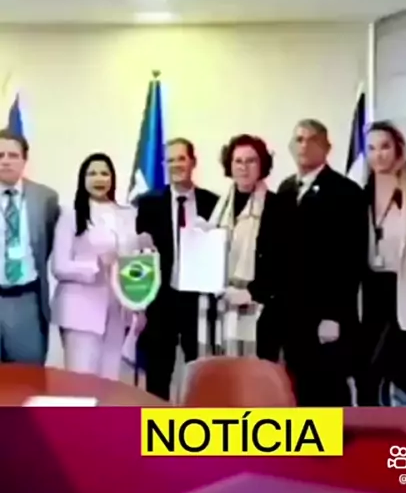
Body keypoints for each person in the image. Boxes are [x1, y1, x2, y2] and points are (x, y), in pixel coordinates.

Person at [275, 119, 368, 407]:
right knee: (297, 391)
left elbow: (351, 259)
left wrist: (334, 315)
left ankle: (336, 439)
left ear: (327, 147)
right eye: (298, 139)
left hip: (326, 315)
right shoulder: (286, 189)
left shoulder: (346, 191)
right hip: (292, 313)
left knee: (328, 391)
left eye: (312, 139)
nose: (304, 145)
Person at [136, 138, 218, 400]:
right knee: (158, 376)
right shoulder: (148, 204)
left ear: (193, 162)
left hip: (199, 303)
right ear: (163, 165)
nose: (176, 165)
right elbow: (138, 256)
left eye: (181, 158)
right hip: (161, 302)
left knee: (201, 375)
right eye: (170, 160)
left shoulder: (213, 203)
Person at [51, 153, 143, 380]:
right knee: (81, 382)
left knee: (110, 381)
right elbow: (59, 266)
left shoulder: (127, 215)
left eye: (104, 173)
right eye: (92, 173)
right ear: (83, 179)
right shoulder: (70, 214)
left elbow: (135, 261)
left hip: (118, 310)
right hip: (80, 311)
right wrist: (95, 265)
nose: (99, 178)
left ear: (112, 178)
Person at [357, 121, 406, 407]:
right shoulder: (359, 194)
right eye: (371, 148)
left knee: (403, 372)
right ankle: (368, 427)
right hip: (369, 290)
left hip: (405, 286)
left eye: (385, 146)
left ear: (398, 149)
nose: (378, 155)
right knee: (367, 372)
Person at [208, 134, 279, 358]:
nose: (243, 167)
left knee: (255, 373)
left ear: (262, 165)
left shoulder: (277, 206)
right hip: (221, 304)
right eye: (238, 161)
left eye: (251, 161)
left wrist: (252, 292)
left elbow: (284, 261)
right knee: (223, 371)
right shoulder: (217, 206)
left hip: (260, 309)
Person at [0, 129, 59, 364]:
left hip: (26, 299)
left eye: (13, 155)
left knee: (28, 376)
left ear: (24, 160)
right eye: (0, 155)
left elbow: (49, 243)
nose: (5, 161)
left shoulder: (46, 198)